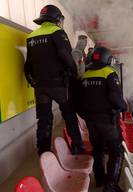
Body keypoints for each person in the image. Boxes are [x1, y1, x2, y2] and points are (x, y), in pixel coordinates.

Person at [24, 5, 84, 155]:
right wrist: (74, 73)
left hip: (40, 87)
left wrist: (32, 80)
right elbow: (66, 57)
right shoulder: (58, 33)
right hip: (59, 85)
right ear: (56, 18)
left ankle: (43, 151)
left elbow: (28, 64)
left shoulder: (31, 37)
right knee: (69, 115)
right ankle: (77, 146)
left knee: (44, 119)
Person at [74, 46, 127, 192]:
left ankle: (99, 179)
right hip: (108, 120)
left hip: (91, 121)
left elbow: (78, 100)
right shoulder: (110, 73)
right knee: (117, 152)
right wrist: (124, 107)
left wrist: (86, 115)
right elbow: (115, 98)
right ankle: (110, 186)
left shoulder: (85, 75)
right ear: (107, 59)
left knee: (97, 149)